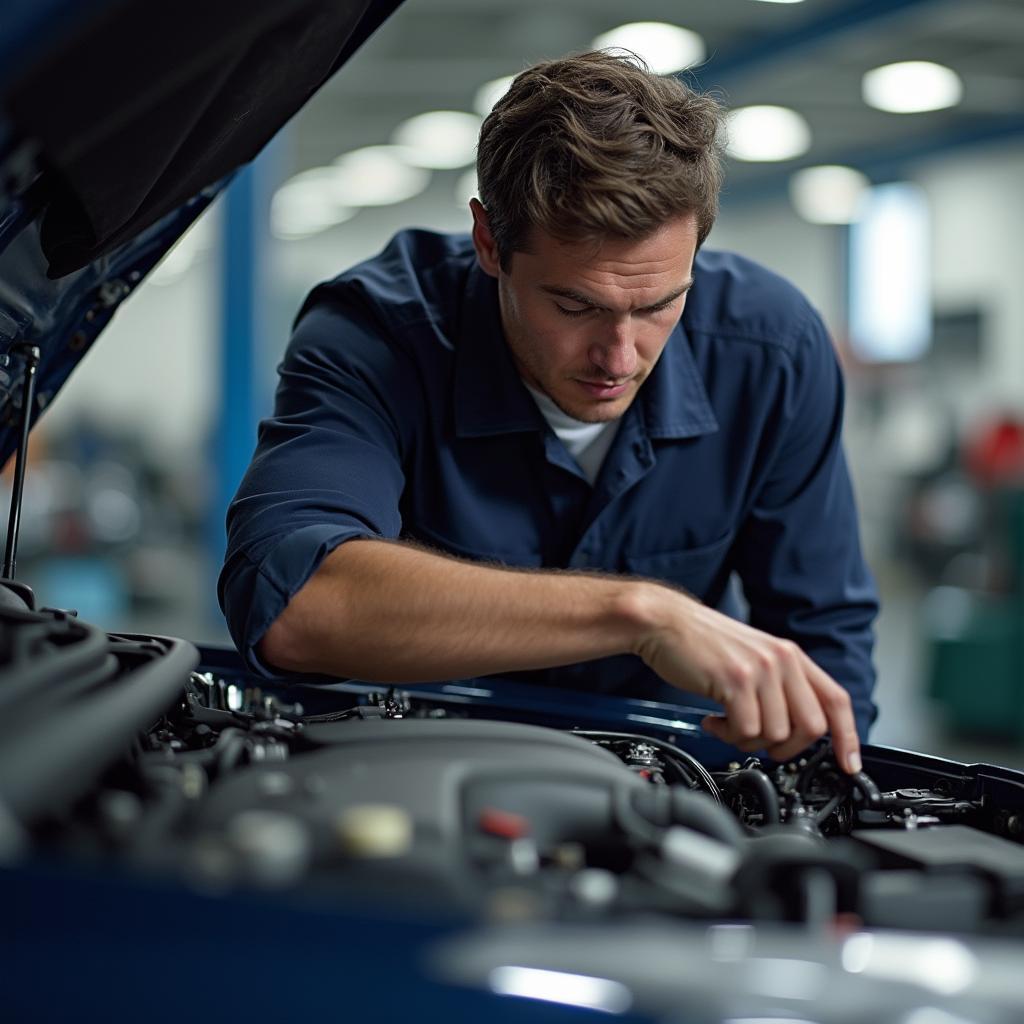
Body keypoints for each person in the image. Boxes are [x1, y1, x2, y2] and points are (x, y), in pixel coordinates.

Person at [219, 51, 878, 774]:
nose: (620, 357)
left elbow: (826, 643)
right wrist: (638, 615)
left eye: (659, 305)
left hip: (669, 790)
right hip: (419, 772)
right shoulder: (376, 337)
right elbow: (294, 602)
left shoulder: (770, 351)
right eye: (576, 305)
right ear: (489, 244)